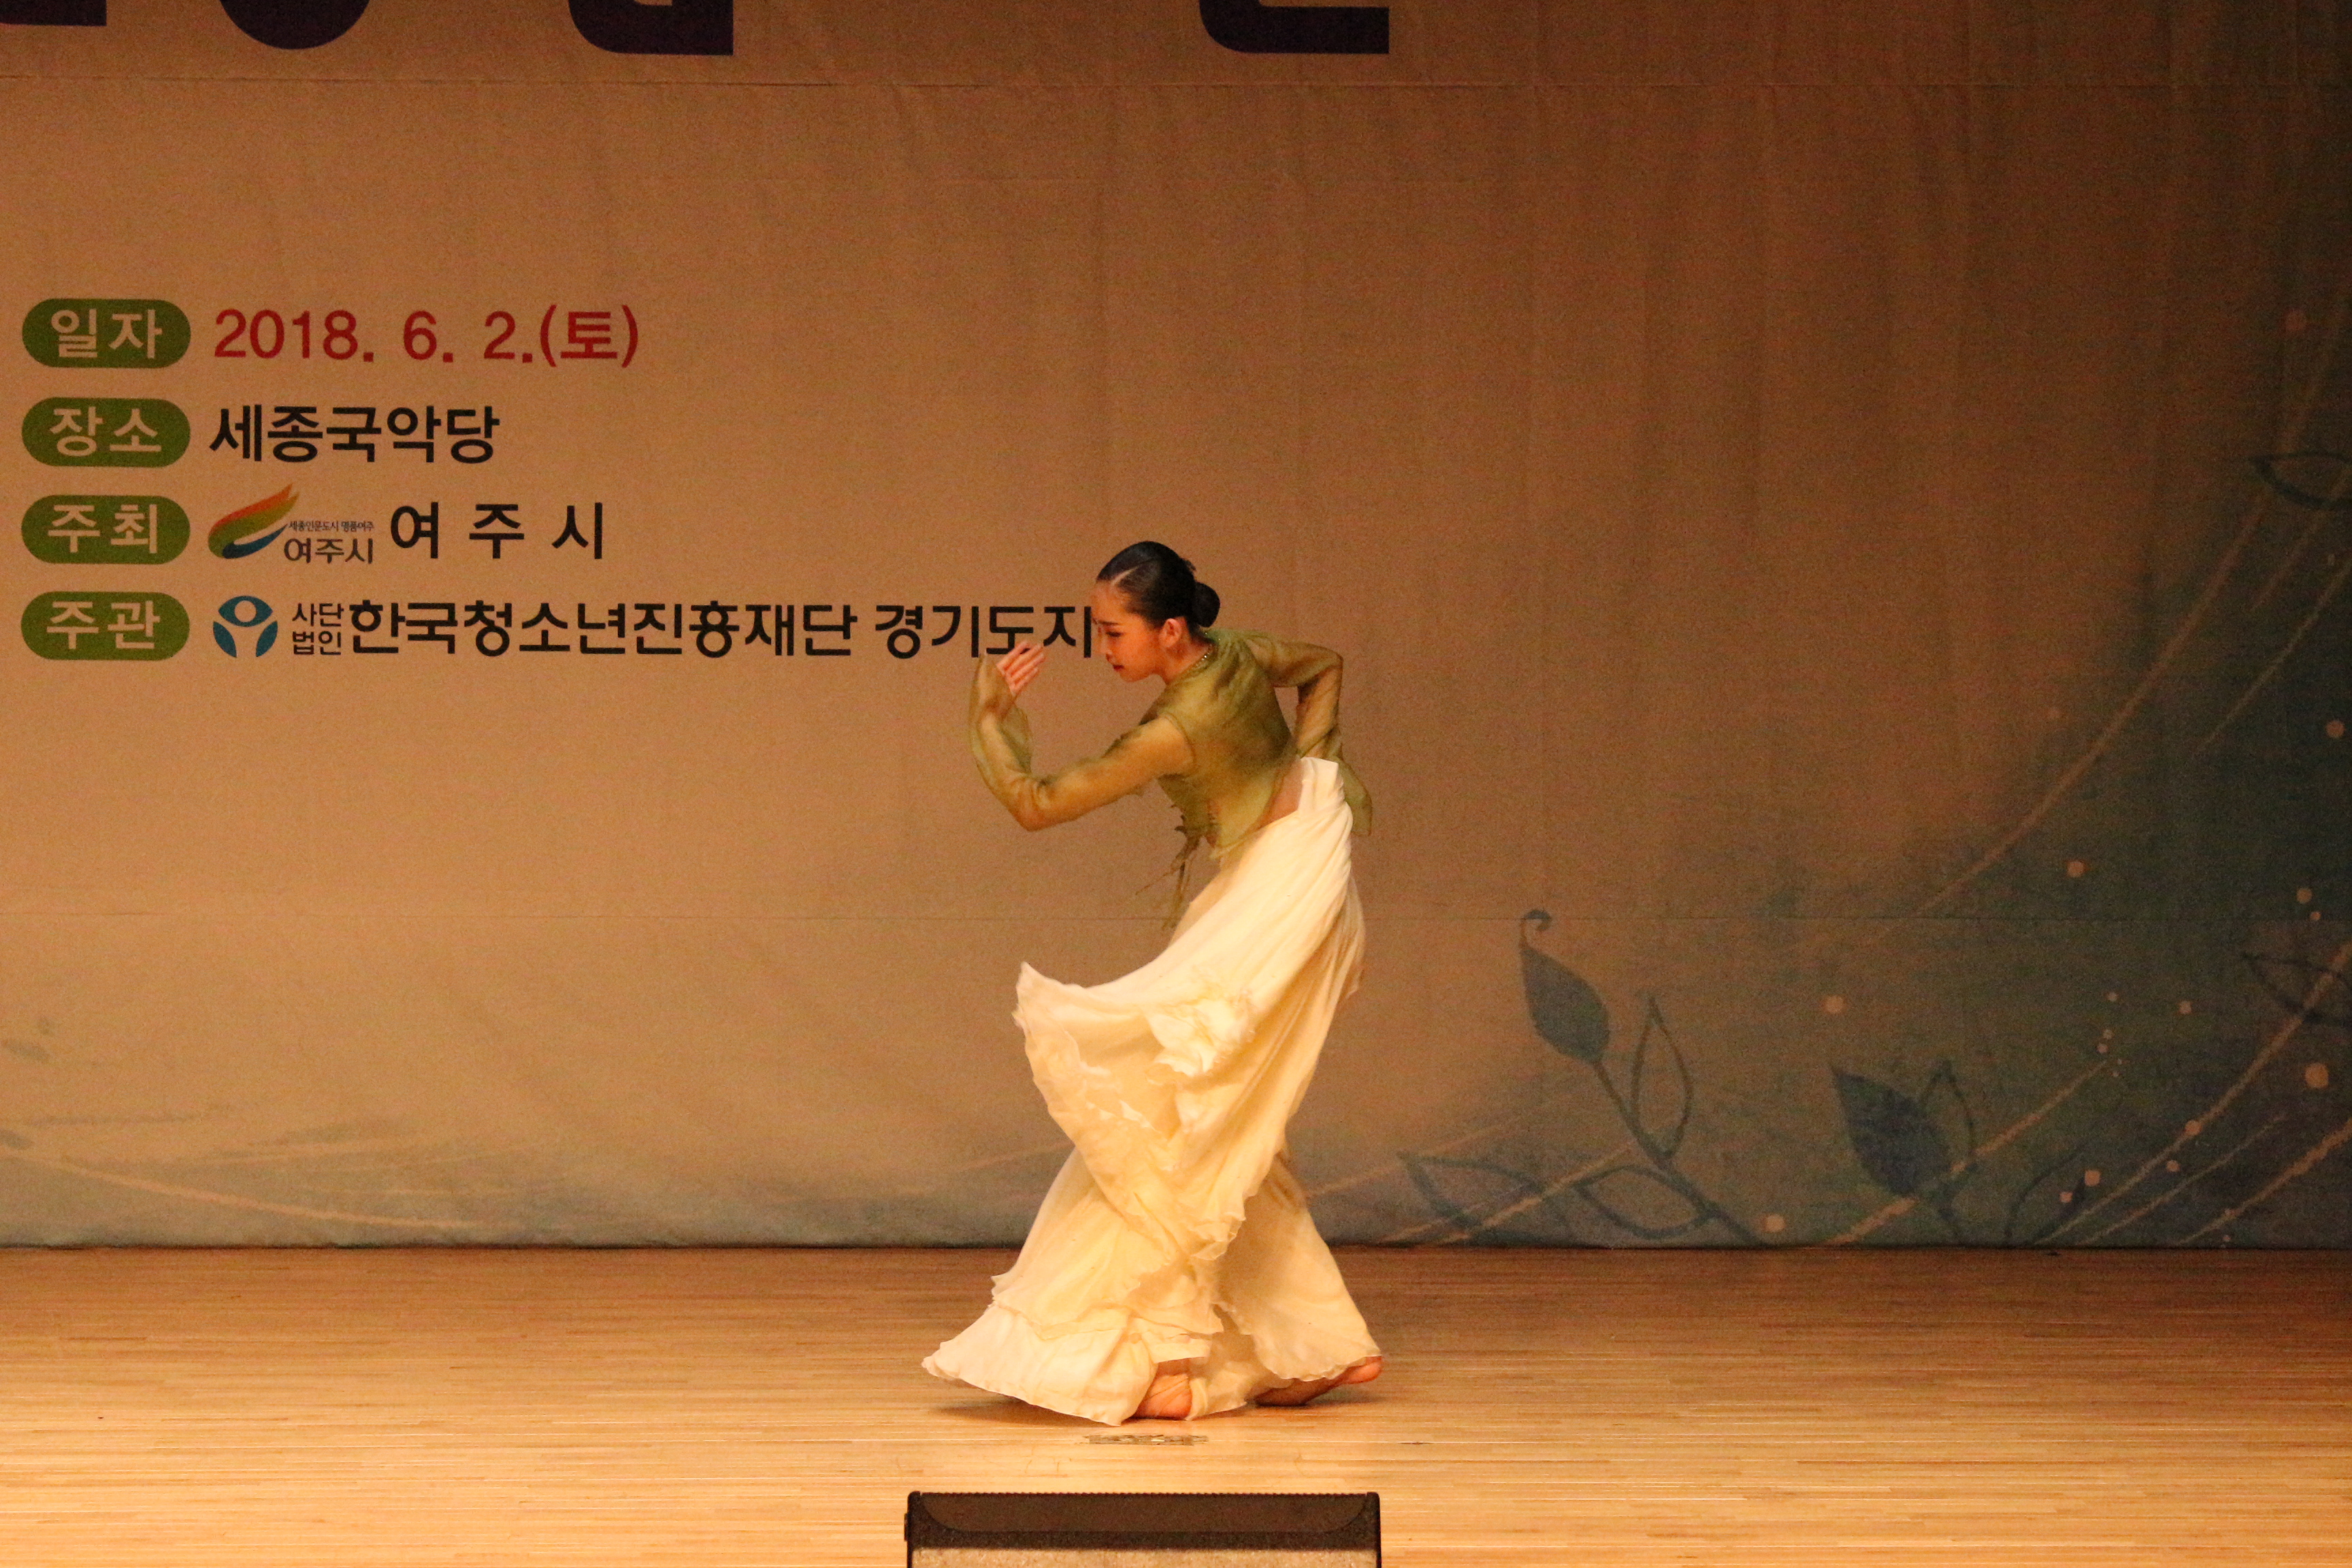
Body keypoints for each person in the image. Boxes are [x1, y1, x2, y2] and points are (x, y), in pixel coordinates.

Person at [923, 542, 1385, 1424]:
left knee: (1176, 1115)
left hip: (1280, 901)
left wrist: (988, 716)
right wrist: (1310, 779)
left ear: (1171, 631)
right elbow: (1322, 666)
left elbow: (1036, 803)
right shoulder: (1234, 653)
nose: (1102, 648)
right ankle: (1316, 1339)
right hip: (1296, 880)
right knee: (1223, 1120)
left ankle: (1173, 1356)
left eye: (1112, 632)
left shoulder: (1176, 728)